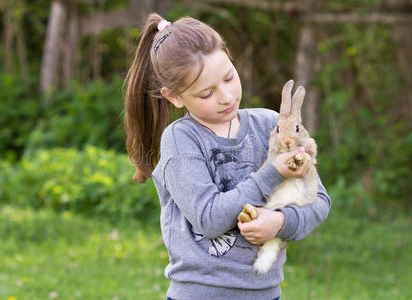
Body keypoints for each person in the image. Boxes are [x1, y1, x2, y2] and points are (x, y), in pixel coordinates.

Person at [124, 13, 331, 300]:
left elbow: (318, 200)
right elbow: (209, 219)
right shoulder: (181, 140)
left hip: (265, 294)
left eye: (229, 77)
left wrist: (281, 221)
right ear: (174, 97)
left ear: (231, 59)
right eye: (207, 93)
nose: (226, 97)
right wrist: (273, 172)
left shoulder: (271, 126)